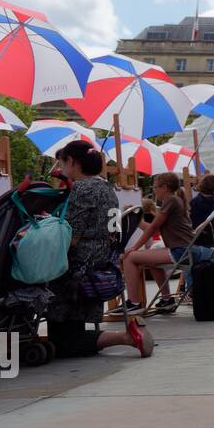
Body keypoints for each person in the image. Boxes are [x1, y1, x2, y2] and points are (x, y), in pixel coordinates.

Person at [46, 141, 153, 358]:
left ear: (72, 162)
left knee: (62, 344)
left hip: (77, 272)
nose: (61, 167)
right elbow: (110, 230)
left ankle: (127, 337)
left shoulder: (82, 189)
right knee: (67, 336)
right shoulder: (107, 188)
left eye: (62, 162)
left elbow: (70, 237)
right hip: (101, 265)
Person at [118, 172, 194, 316]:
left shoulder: (170, 200)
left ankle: (133, 303)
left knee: (129, 257)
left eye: (155, 187)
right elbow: (152, 227)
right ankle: (166, 300)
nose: (154, 190)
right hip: (185, 249)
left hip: (181, 251)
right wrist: (137, 221)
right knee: (151, 260)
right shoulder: (175, 200)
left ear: (164, 187)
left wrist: (133, 248)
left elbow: (153, 228)